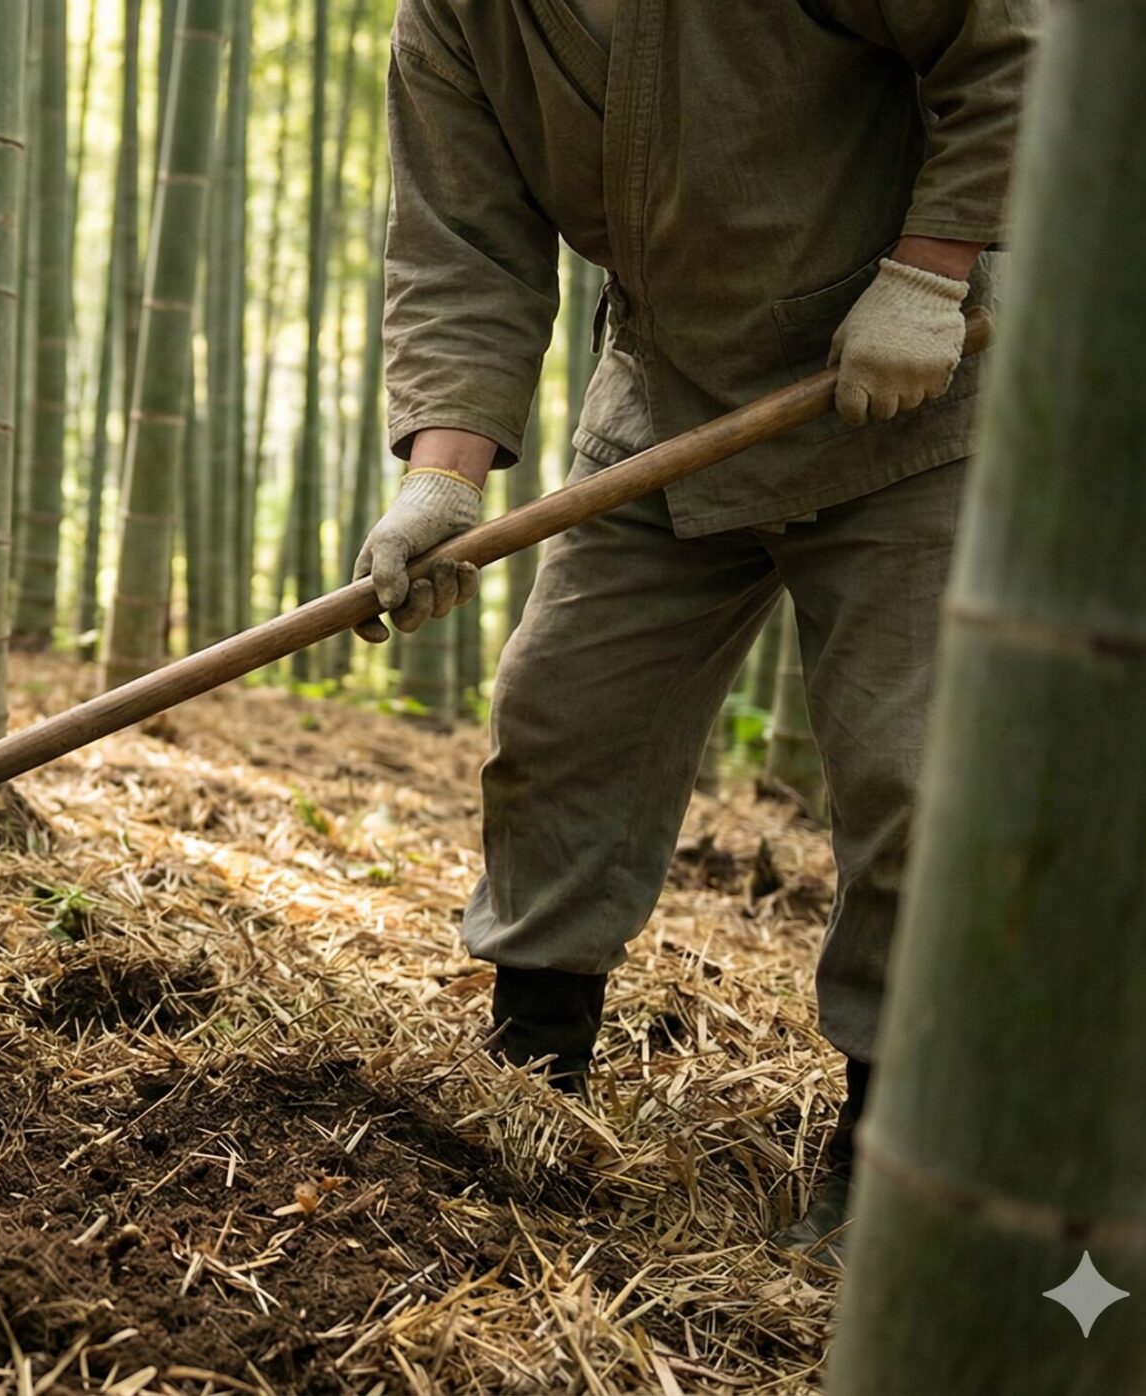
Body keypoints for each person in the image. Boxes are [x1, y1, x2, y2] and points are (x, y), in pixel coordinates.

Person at [350, 0, 1035, 1254]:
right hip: (668, 403)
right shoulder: (453, 21)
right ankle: (529, 1078)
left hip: (912, 385)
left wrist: (931, 270)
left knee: (917, 766)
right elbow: (464, 244)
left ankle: (894, 1143)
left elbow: (1014, 44)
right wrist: (441, 479)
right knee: (563, 711)